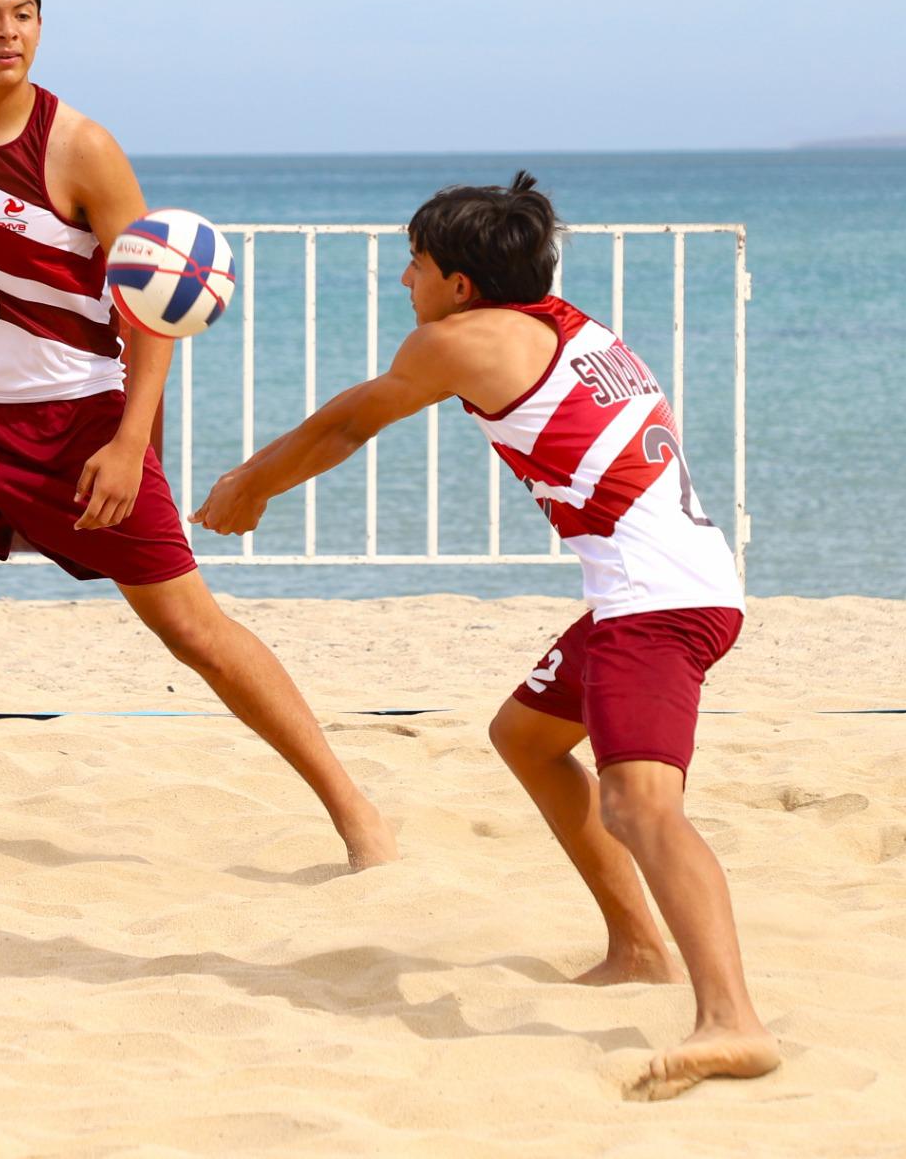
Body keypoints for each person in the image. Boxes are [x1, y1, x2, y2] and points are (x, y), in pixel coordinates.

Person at [192, 172, 779, 1101]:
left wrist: (249, 483)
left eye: (415, 264)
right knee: (526, 735)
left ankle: (733, 1020)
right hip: (671, 584)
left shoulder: (457, 340)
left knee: (643, 807)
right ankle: (637, 948)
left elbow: (348, 423)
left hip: (655, 604)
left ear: (459, 284)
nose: (404, 281)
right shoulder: (567, 325)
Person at [0, 0, 395, 888]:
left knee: (191, 629)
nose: (8, 31)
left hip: (76, 423)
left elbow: (152, 303)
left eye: (24, 14)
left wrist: (130, 441)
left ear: (41, 27)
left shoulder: (82, 147)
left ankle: (356, 812)